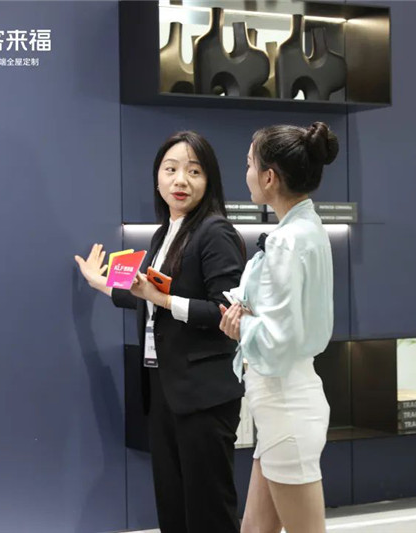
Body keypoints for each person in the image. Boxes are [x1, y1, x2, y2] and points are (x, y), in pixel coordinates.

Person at [75, 131, 245, 533]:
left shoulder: (215, 232)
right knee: (172, 506)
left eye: (194, 171)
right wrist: (103, 284)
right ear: (157, 177)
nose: (180, 180)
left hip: (203, 395)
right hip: (165, 389)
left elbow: (226, 311)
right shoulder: (163, 233)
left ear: (210, 180)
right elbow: (148, 297)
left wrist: (163, 299)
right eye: (170, 170)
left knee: (208, 511)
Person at [219, 121, 338, 533]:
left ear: (269, 177)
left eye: (249, 164)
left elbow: (278, 340)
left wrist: (241, 327)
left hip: (285, 406)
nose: (246, 173)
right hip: (282, 406)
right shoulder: (306, 228)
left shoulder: (289, 240)